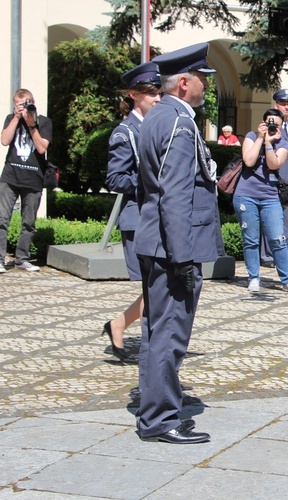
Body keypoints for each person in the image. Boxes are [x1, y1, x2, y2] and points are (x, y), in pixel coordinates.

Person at [135, 43, 221, 444]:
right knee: (169, 334)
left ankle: (158, 406)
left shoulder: (155, 117)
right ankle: (160, 419)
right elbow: (174, 195)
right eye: (202, 78)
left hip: (155, 242)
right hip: (172, 249)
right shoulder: (180, 124)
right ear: (184, 82)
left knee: (157, 332)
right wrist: (184, 258)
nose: (206, 85)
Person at [102, 62, 161, 363]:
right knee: (155, 287)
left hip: (156, 216)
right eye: (150, 93)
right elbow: (114, 178)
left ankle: (120, 325)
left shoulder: (153, 126)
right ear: (134, 95)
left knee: (159, 286)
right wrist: (148, 180)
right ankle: (128, 330)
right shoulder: (124, 132)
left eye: (158, 92)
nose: (156, 98)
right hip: (138, 218)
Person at [234, 108, 288, 294]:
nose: (272, 128)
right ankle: (253, 278)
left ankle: (287, 280)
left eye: (276, 125)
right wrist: (260, 139)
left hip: (270, 197)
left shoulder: (283, 143)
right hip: (246, 195)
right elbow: (248, 160)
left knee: (278, 239)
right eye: (269, 123)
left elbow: (273, 164)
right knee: (251, 240)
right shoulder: (251, 136)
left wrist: (270, 144)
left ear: (281, 127)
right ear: (262, 122)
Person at [0, 89, 52, 274]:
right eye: (20, 104)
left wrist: (31, 125)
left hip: (33, 180)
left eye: (27, 103)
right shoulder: (11, 119)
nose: (24, 107)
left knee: (28, 223)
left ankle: (22, 259)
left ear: (33, 101)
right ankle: (0, 259)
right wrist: (16, 118)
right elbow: (4, 141)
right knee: (2, 218)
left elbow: (41, 148)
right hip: (10, 177)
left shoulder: (44, 122)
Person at [260, 89, 288, 268]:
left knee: (287, 219)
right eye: (283, 104)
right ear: (276, 105)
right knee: (269, 217)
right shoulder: (267, 128)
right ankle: (267, 256)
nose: (286, 108)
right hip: (272, 177)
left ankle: (282, 255)